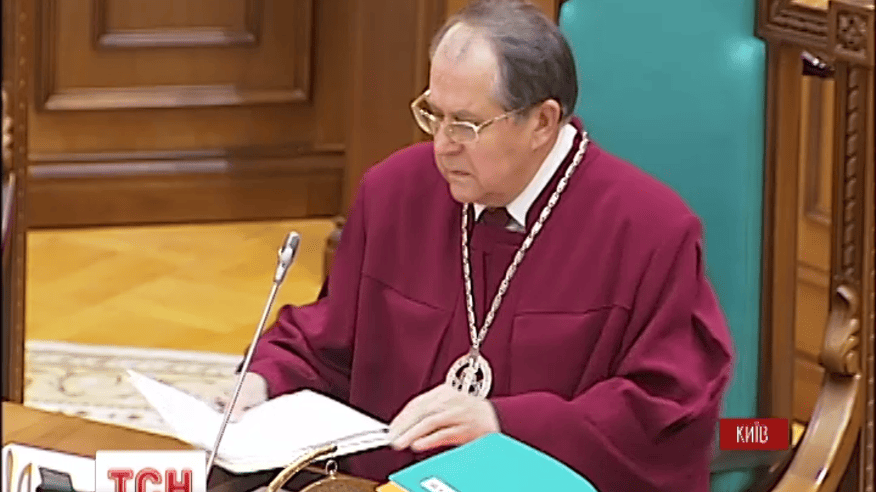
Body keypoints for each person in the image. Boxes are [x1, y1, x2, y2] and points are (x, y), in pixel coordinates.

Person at [219, 1, 734, 490]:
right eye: (433, 115)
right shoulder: (393, 193)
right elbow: (328, 342)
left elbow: (666, 409)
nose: (442, 145)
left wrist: (506, 423)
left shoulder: (650, 230)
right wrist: (264, 379)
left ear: (541, 122)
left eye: (465, 125)